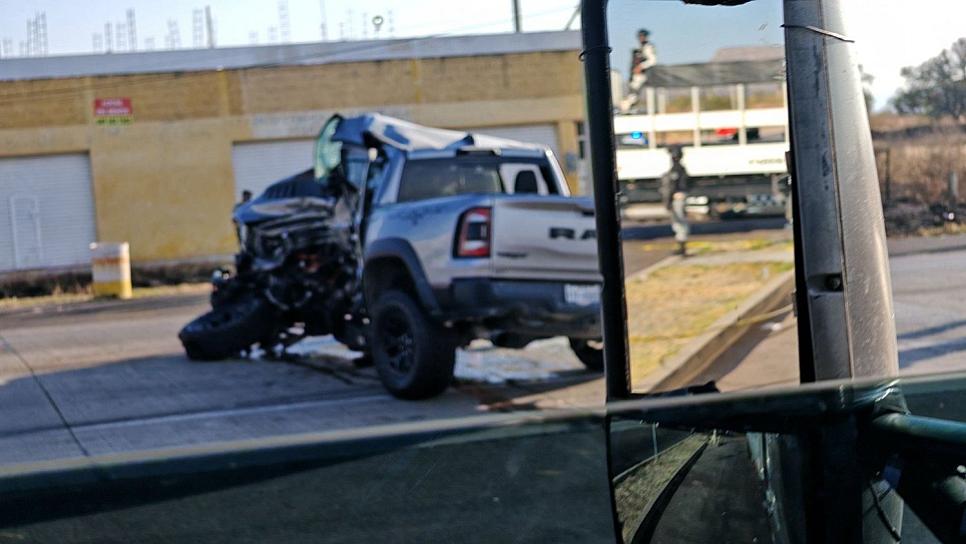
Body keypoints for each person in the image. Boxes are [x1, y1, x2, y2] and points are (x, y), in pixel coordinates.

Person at [661, 146, 690, 255]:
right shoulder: (677, 168)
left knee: (679, 221)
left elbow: (675, 186)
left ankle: (682, 246)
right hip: (675, 198)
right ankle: (681, 244)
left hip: (677, 198)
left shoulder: (678, 169)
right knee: (677, 222)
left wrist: (678, 194)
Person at [620, 29, 657, 113]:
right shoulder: (639, 48)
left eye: (643, 36)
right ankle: (628, 109)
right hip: (635, 74)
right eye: (640, 36)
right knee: (632, 91)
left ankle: (627, 108)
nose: (641, 38)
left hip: (643, 74)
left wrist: (641, 66)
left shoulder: (648, 47)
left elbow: (652, 60)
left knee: (634, 93)